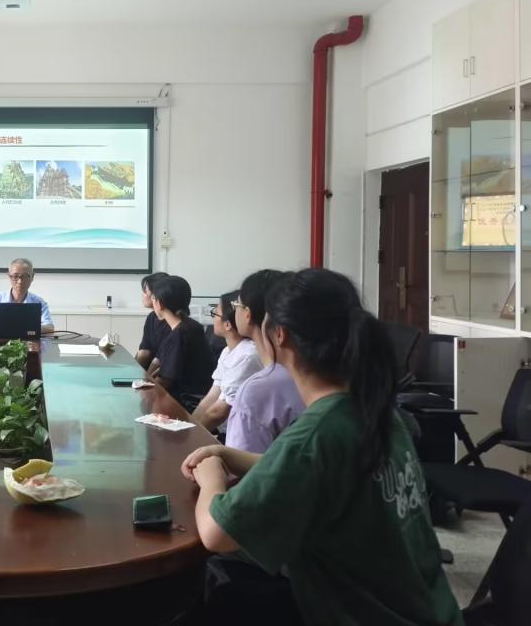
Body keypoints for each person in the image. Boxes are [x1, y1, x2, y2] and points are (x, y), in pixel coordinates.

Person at [182, 268, 463, 626]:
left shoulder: (316, 435)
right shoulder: (375, 412)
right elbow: (314, 472)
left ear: (279, 335)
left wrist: (211, 477)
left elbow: (216, 534)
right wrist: (226, 454)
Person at [224, 269, 304, 454]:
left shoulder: (257, 390)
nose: (234, 310)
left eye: (237, 304)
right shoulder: (313, 374)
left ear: (248, 314)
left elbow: (241, 467)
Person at [190, 290, 263, 433]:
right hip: (220, 430)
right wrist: (189, 427)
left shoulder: (247, 355)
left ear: (228, 324)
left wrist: (192, 436)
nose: (213, 319)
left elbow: (218, 412)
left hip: (236, 434)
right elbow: (211, 397)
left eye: (215, 314)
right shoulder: (228, 351)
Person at [147, 275, 214, 409]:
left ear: (159, 303)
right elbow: (161, 365)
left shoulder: (180, 333)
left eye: (153, 298)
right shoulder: (190, 326)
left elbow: (165, 380)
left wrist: (143, 391)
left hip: (186, 402)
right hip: (193, 397)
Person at [134, 271, 170, 371]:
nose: (142, 295)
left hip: (165, 373)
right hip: (150, 370)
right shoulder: (152, 317)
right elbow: (144, 352)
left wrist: (145, 377)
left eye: (145, 291)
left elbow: (160, 360)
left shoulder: (172, 322)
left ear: (157, 294)